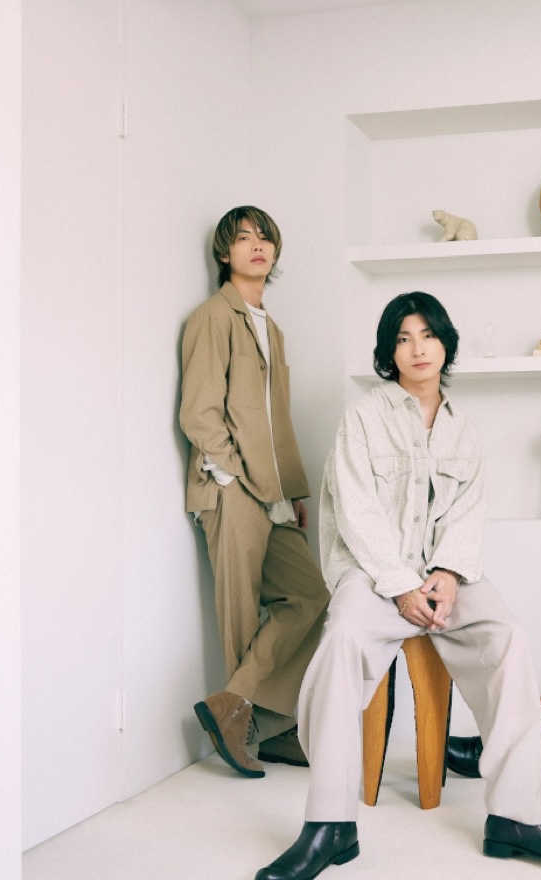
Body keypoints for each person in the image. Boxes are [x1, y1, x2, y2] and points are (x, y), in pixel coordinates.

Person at [252, 292, 541, 880]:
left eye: (428, 335)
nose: (417, 349)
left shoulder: (464, 431)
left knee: (508, 635)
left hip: (444, 577)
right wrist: (400, 586)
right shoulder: (363, 418)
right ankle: (329, 824)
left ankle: (515, 816)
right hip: (373, 574)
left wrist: (448, 574)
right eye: (403, 338)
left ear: (445, 345)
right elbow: (356, 511)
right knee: (341, 641)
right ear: (389, 352)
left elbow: (469, 513)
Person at [179, 206, 330, 777]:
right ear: (225, 253)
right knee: (240, 616)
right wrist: (234, 476)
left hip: (272, 493)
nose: (256, 245)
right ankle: (259, 728)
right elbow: (198, 413)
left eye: (264, 237)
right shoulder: (211, 318)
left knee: (311, 598)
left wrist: (289, 492)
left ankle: (250, 714)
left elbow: (275, 420)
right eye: (243, 238)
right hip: (229, 488)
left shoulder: (272, 328)